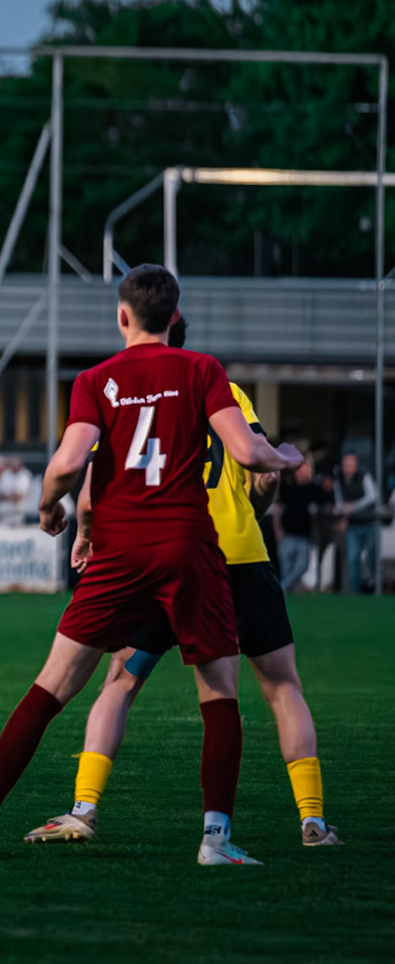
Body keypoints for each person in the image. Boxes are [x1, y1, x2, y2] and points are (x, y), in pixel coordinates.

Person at [0, 265, 302, 864]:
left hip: (119, 549)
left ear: (122, 315)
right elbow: (247, 451)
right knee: (219, 691)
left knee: (54, 684)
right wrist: (283, 457)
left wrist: (47, 505)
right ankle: (216, 841)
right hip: (188, 546)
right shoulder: (201, 369)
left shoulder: (97, 380)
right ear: (176, 316)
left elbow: (68, 461)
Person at [24, 315, 341, 849]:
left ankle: (83, 809)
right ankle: (310, 821)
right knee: (280, 687)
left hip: (159, 557)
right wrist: (263, 490)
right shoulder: (223, 389)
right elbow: (260, 478)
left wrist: (85, 534)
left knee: (120, 683)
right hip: (237, 555)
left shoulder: (128, 394)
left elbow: (94, 486)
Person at [332, 452, 381, 594]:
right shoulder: (339, 480)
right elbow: (339, 502)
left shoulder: (364, 476)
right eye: (346, 465)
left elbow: (372, 497)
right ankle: (355, 593)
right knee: (353, 559)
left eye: (351, 465)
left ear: (355, 465)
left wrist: (353, 506)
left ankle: (377, 587)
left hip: (369, 523)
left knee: (372, 557)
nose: (348, 468)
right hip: (352, 526)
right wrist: (342, 513)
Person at [274, 458, 320, 594]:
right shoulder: (287, 488)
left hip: (304, 537)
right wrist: (278, 533)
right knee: (286, 570)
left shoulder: (313, 489)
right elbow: (278, 510)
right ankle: (286, 599)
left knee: (302, 566)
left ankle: (281, 588)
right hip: (287, 536)